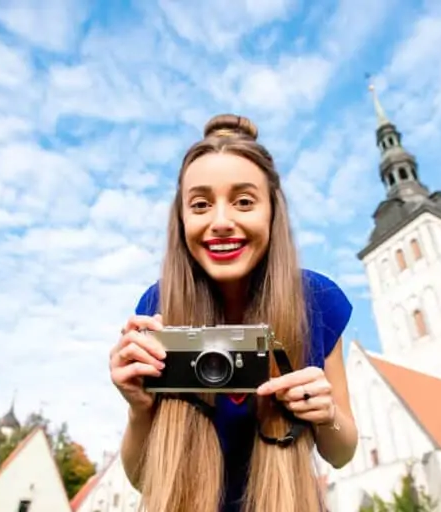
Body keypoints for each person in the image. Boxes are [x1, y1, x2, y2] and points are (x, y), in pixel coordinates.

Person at [109, 114, 358, 512]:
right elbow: (142, 479)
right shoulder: (157, 308)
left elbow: (342, 454)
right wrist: (138, 408)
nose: (221, 222)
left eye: (244, 201)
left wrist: (326, 414)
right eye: (201, 204)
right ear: (182, 219)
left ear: (272, 212)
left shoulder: (318, 299)